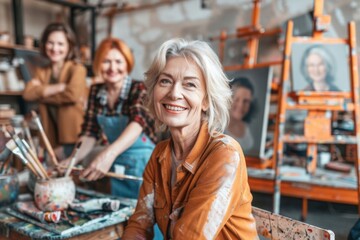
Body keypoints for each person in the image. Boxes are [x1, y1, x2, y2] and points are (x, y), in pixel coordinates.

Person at [122, 38, 258, 239]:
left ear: (206, 100)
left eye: (190, 85)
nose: (175, 93)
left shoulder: (225, 154)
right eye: (165, 81)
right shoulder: (160, 154)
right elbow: (139, 225)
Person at [58, 37, 157, 200]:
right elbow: (89, 132)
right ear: (97, 64)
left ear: (127, 64)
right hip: (117, 164)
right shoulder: (96, 92)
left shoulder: (138, 88)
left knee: (147, 215)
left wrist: (107, 155)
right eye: (106, 61)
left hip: (144, 163)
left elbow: (137, 123)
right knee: (122, 212)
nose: (112, 68)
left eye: (118, 61)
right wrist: (72, 159)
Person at [22, 22, 87, 159]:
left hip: (72, 136)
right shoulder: (42, 71)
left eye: (60, 44)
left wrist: (41, 94)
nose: (55, 48)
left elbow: (72, 95)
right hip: (50, 136)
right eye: (50, 43)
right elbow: (27, 94)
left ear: (69, 46)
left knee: (71, 177)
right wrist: (59, 87)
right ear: (44, 44)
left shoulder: (77, 69)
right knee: (53, 177)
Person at [225, 77, 256, 152]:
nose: (240, 105)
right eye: (236, 99)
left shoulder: (246, 128)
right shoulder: (216, 128)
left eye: (246, 101)